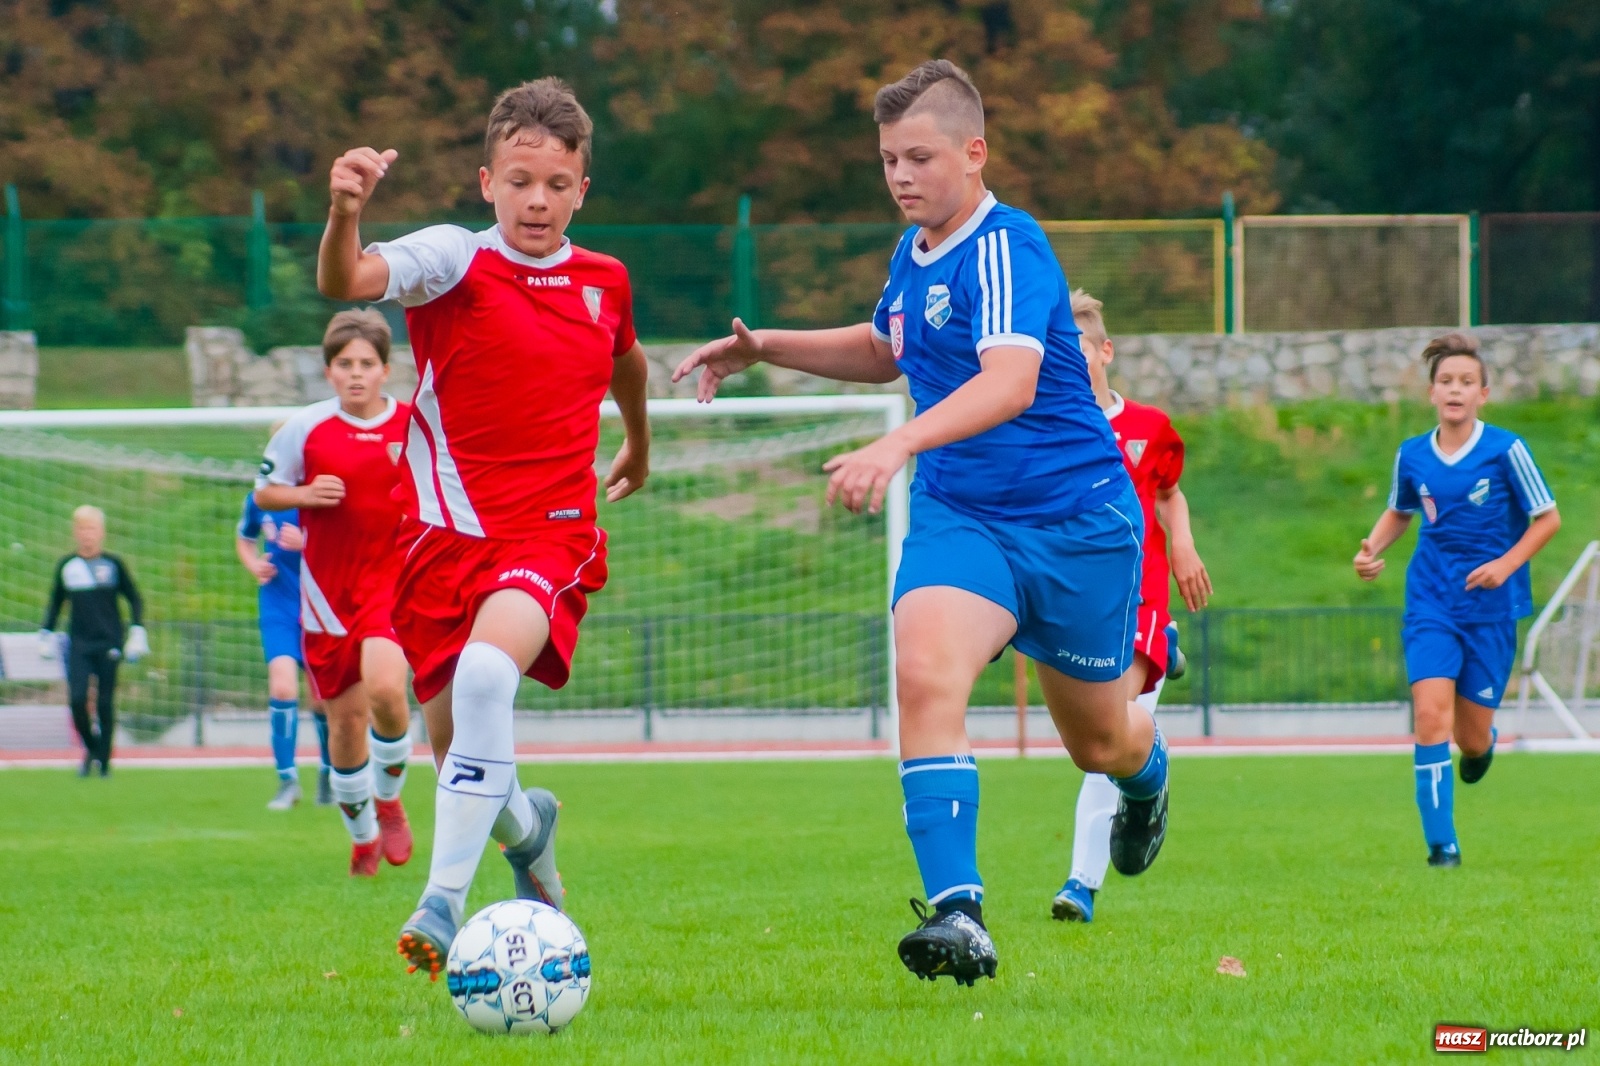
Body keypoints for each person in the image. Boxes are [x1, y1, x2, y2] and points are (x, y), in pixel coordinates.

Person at [674, 60, 1168, 986]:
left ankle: (1147, 778)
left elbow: (1010, 382)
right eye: (889, 160)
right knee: (924, 673)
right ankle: (958, 914)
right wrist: (767, 346)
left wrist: (898, 442)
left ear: (975, 153)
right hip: (962, 517)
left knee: (1100, 743)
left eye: (920, 158)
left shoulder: (1009, 246)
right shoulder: (914, 251)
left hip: (1076, 524)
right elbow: (884, 348)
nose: (901, 176)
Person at [315, 77, 652, 978]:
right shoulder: (451, 261)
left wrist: (639, 442)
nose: (536, 200)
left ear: (582, 190)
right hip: (438, 544)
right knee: (462, 755)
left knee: (487, 675)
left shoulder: (605, 281)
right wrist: (345, 212)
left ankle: (443, 903)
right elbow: (346, 281)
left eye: (556, 184)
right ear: (487, 182)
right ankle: (529, 827)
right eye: (519, 181)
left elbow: (627, 361)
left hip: (552, 533)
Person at [1353, 332, 1560, 867]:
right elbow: (1401, 510)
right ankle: (1441, 845)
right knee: (1429, 715)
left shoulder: (1507, 450)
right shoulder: (1412, 454)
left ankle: (1482, 745)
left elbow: (1548, 519)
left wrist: (1505, 564)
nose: (1455, 389)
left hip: (1490, 612)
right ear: (1432, 393)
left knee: (1470, 739)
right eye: (1446, 381)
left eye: (1467, 382)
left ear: (1482, 395)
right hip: (1431, 603)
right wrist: (1372, 548)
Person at [1052, 290, 1211, 924]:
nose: (1069, 360)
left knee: (1107, 725)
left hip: (1141, 599)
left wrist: (1183, 546)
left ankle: (1080, 883)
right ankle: (1153, 751)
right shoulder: (1051, 430)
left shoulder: (1148, 427)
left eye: (1079, 348)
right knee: (1102, 739)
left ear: (1105, 352)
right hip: (1081, 603)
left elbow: (1169, 495)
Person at [255, 310, 416, 876]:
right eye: (345, 364)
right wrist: (303, 493)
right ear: (329, 372)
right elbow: (265, 493)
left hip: (392, 582)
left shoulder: (412, 425)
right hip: (326, 592)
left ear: (385, 370)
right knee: (344, 723)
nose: (356, 374)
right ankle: (362, 838)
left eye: (366, 364)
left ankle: (389, 802)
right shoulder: (305, 427)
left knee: (387, 690)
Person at [236, 477, 334, 809]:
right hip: (277, 602)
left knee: (321, 699)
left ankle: (329, 773)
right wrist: (254, 565)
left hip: (319, 601)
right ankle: (287, 780)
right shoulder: (260, 498)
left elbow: (349, 543)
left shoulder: (319, 491)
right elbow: (245, 538)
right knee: (282, 688)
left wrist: (307, 543)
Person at [39, 505, 147, 776]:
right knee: (77, 700)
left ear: (101, 532)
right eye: (83, 529)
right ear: (76, 532)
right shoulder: (67, 566)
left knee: (104, 703)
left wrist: (137, 630)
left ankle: (104, 764)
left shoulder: (113, 565)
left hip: (109, 641)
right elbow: (55, 603)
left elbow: (134, 598)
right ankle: (93, 749)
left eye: (92, 529)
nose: (87, 534)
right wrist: (46, 633)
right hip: (79, 644)